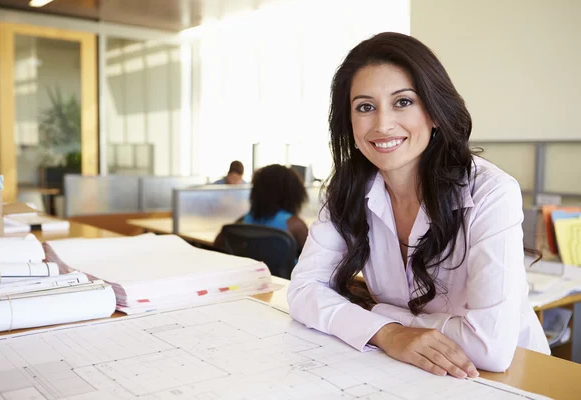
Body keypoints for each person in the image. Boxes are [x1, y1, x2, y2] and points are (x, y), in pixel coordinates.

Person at [287, 32, 550, 378]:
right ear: (349, 123)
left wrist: (379, 314)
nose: (382, 124)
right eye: (365, 107)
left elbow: (490, 348)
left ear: (435, 112)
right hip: (407, 371)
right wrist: (389, 334)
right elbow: (303, 291)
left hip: (508, 377)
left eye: (403, 102)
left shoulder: (491, 192)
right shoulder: (347, 190)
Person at [214, 164, 309, 252]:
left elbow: (217, 245)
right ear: (293, 193)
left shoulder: (242, 221)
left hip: (251, 270)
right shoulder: (296, 225)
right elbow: (314, 260)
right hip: (286, 271)